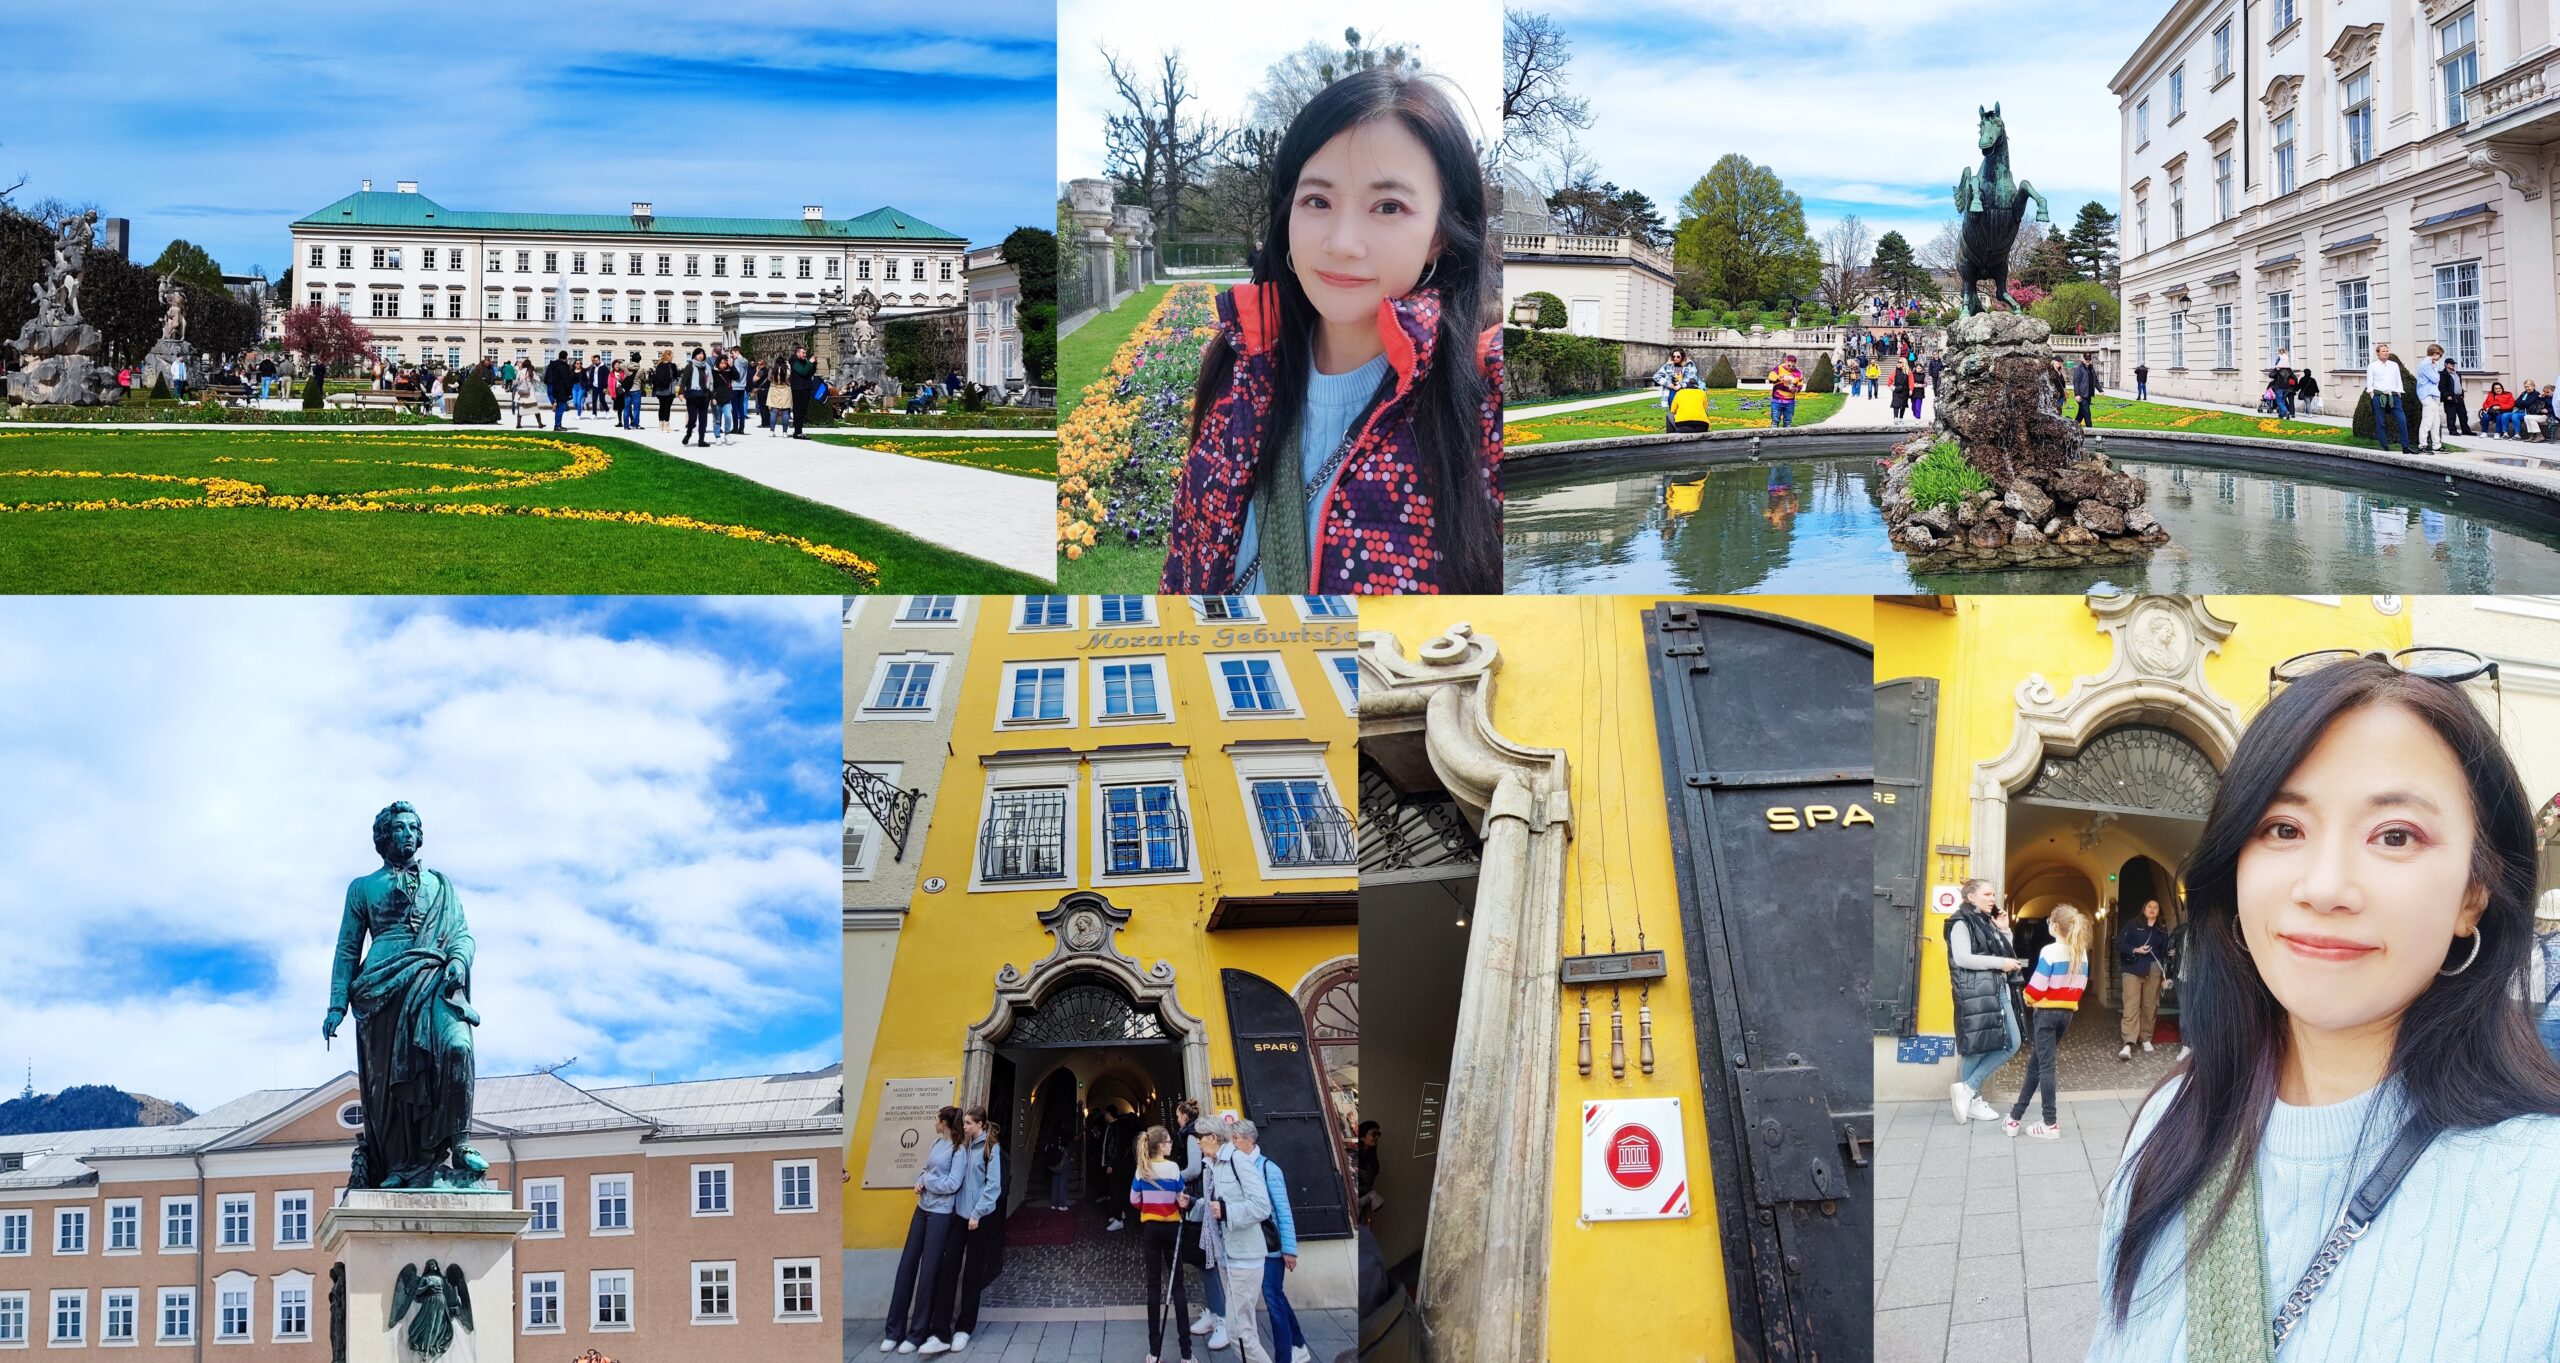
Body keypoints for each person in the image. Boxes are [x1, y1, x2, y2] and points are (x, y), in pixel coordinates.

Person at [2089, 655, 2560, 1361]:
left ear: (2474, 894)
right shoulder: (2171, 1124)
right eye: (2283, 827)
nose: (2324, 885)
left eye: (2395, 835)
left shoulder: (2541, 1192)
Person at [1160, 65, 1502, 595]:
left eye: (1388, 207)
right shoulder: (1237, 369)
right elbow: (1183, 574)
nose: (1342, 242)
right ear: (1287, 214)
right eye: (1317, 201)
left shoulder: (1484, 404)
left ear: (1440, 235)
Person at [879, 1107, 967, 1355]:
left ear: (944, 1123)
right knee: (907, 1265)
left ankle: (917, 1334)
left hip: (941, 1213)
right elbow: (926, 1170)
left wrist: (928, 1182)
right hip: (922, 1208)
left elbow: (953, 1184)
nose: (934, 1123)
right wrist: (920, 1180)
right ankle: (893, 1331)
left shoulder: (958, 1150)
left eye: (937, 1120)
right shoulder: (936, 1143)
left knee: (929, 1272)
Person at [2004, 902, 2089, 1139]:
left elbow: (2037, 986)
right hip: (2066, 1013)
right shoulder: (2080, 952)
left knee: (2045, 1066)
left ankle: (2050, 1123)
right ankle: (2014, 1118)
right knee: (2037, 1064)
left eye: (2050, 921)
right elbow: (2081, 985)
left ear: (2054, 925)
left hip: (2046, 1013)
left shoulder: (2049, 951)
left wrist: (2027, 998)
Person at [1945, 879, 2027, 1123]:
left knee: (2010, 1041)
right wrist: (1999, 964)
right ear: (1971, 897)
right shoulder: (1960, 922)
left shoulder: (1985, 921)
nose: (1992, 898)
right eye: (1987, 894)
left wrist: (2004, 930)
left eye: (1994, 894)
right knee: (1978, 1045)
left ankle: (1968, 1090)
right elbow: (1962, 958)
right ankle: (1971, 1095)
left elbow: (2003, 953)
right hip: (1976, 992)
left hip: (1995, 988)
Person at [1232, 1122, 1310, 1363]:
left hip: (1271, 1245)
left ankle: (1284, 1357)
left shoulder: (1268, 1169)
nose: (1233, 1143)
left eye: (1236, 1138)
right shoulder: (1240, 1166)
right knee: (1276, 1295)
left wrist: (1289, 1249)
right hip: (1252, 1243)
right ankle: (1298, 1344)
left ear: (1249, 1141)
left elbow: (1283, 1211)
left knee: (1272, 1297)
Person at [1199, 1120, 1275, 1363]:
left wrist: (1227, 1211)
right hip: (1226, 1255)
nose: (1197, 1143)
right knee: (1244, 1328)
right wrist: (1192, 1204)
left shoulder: (1237, 1160)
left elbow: (1262, 1205)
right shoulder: (1211, 1166)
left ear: (1212, 1137)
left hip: (1245, 1257)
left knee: (1238, 1332)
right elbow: (1213, 1204)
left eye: (1199, 1137)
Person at [939, 1107, 1005, 1354]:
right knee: (949, 1268)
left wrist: (977, 1213)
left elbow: (993, 1186)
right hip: (959, 1215)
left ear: (980, 1124)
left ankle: (965, 1327)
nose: (964, 1126)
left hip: (978, 1219)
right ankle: (940, 1327)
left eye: (968, 1123)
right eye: (964, 1122)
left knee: (972, 1273)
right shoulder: (963, 1146)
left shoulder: (990, 1149)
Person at [1131, 1125, 1195, 1363]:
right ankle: (1186, 1353)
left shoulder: (1142, 1169)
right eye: (1168, 1141)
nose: (1171, 1144)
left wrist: (1149, 1207)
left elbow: (1134, 1199)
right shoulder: (1172, 1168)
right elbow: (1180, 1196)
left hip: (1151, 1229)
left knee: (1153, 1287)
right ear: (1160, 1145)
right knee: (1177, 1286)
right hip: (1171, 1229)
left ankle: (1154, 1352)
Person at [2115, 899, 2171, 1061]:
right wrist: (2135, 949)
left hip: (2153, 970)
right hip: (2133, 969)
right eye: (2149, 907)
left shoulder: (2161, 928)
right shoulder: (2133, 924)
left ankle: (2146, 1038)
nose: (2152, 909)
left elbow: (2164, 952)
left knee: (2150, 1004)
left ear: (2158, 911)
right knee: (2131, 1004)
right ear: (2144, 909)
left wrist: (2169, 957)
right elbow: (2119, 943)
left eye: (2155, 907)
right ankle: (2128, 1042)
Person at [2367, 344, 2416, 453]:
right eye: (2383, 351)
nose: (2386, 353)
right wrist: (2372, 395)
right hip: (2379, 396)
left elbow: (2398, 379)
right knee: (2380, 422)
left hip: (2394, 396)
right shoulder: (2372, 366)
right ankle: (2384, 445)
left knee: (2402, 420)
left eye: (2387, 351)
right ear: (2378, 353)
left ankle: (2405, 447)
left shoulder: (2394, 365)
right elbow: (2369, 382)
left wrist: (2399, 392)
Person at [680, 347, 715, 446]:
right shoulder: (690, 366)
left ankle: (701, 440)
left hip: (704, 396)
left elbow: (711, 383)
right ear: (694, 355)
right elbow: (684, 381)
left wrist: (712, 397)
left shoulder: (707, 367)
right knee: (692, 418)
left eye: (702, 354)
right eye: (699, 354)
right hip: (692, 396)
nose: (701, 356)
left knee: (703, 419)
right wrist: (681, 393)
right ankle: (689, 433)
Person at [2415, 344, 2447, 451]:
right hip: (2426, 394)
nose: (2440, 358)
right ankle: (2422, 445)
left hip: (2434, 394)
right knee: (2427, 421)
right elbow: (2435, 379)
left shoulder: (2432, 364)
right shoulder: (2425, 364)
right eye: (2440, 355)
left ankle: (2436, 445)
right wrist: (2435, 370)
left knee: (2435, 422)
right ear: (2434, 354)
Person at [1652, 349, 1699, 420]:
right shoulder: (1668, 365)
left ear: (1682, 357)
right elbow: (1656, 376)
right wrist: (1668, 384)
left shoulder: (1689, 365)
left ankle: (1684, 426)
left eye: (1678, 357)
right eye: (1673, 356)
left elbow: (1692, 377)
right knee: (1673, 411)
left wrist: (1681, 385)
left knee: (1685, 410)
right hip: (1672, 391)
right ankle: (1674, 427)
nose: (1675, 358)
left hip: (1685, 391)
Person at [1768, 353, 1805, 428]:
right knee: (1775, 421)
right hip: (1777, 400)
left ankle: (1787, 438)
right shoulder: (1778, 368)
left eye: (1793, 366)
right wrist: (1781, 378)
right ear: (1785, 361)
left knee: (1788, 422)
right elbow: (1771, 376)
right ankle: (1773, 437)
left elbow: (1800, 384)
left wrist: (1796, 389)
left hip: (1790, 401)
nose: (1791, 368)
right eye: (1789, 365)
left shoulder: (1798, 373)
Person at [2441, 351, 2471, 436]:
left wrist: (2461, 394)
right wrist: (2447, 396)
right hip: (2450, 398)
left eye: (2453, 364)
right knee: (2451, 415)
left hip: (2459, 397)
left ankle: (2466, 430)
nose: (2453, 365)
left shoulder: (2457, 373)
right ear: (2446, 365)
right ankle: (2452, 431)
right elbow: (2442, 387)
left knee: (2463, 414)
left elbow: (2458, 384)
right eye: (2451, 364)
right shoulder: (2443, 374)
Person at [542, 350, 574, 431]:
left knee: (559, 406)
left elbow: (546, 375)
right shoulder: (563, 366)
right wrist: (570, 392)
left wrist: (546, 381)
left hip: (554, 386)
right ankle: (557, 425)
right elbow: (566, 380)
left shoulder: (552, 364)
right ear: (566, 357)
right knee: (561, 407)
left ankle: (553, 402)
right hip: (561, 390)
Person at [789, 345, 816, 438]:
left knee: (803, 411)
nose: (805, 355)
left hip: (806, 388)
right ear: (797, 353)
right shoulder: (794, 362)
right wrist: (810, 363)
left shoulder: (804, 362)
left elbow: (810, 372)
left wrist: (813, 364)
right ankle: (797, 432)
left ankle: (799, 431)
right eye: (803, 353)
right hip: (799, 389)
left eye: (805, 353)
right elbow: (803, 372)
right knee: (798, 410)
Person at [651, 349, 679, 432]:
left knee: (661, 407)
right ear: (670, 356)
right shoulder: (672, 365)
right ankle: (666, 426)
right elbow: (676, 376)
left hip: (660, 390)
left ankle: (661, 426)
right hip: (669, 390)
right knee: (667, 408)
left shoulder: (659, 365)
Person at [509, 363, 539, 428]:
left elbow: (516, 381)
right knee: (535, 409)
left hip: (521, 393)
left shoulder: (520, 372)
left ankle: (518, 424)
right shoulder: (531, 372)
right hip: (529, 394)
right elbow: (538, 380)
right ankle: (540, 424)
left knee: (520, 409)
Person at [2072, 357, 2098, 428]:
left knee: (2081, 413)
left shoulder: (2091, 368)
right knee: (2087, 413)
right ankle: (2090, 431)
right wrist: (2077, 394)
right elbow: (2076, 382)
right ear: (2082, 359)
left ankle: (2074, 427)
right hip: (2081, 396)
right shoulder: (2078, 369)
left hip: (2088, 395)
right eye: (2086, 359)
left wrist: (2100, 390)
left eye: (2089, 359)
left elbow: (2095, 380)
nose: (2088, 361)